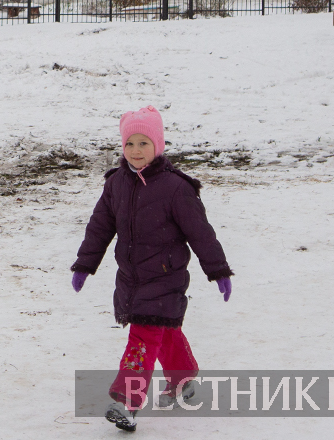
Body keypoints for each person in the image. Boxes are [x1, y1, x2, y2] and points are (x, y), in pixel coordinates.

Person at [70, 106, 233, 433]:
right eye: (130, 143)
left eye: (143, 143)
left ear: (157, 145)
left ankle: (127, 403)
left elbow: (200, 232)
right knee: (164, 330)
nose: (136, 150)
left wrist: (219, 270)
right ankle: (183, 380)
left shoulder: (176, 188)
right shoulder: (116, 183)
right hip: (131, 278)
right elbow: (100, 228)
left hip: (165, 277)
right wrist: (85, 264)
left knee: (142, 339)